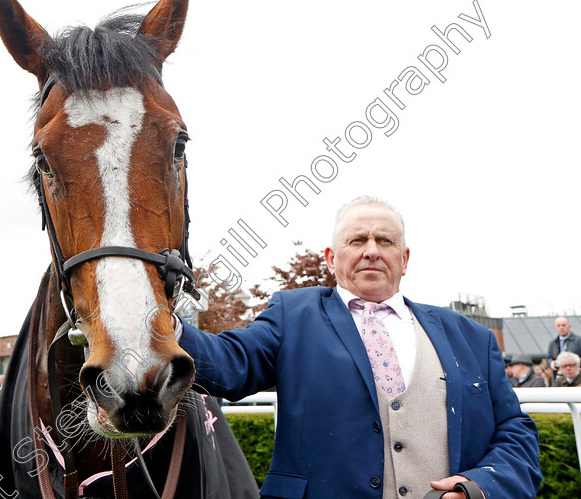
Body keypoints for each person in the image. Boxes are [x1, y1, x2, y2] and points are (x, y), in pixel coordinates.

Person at [175, 196, 541, 498]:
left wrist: (476, 489)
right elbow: (229, 364)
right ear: (332, 258)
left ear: (405, 259)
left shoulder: (471, 337)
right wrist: (164, 327)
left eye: (385, 241)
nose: (371, 251)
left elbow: (516, 432)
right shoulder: (293, 315)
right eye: (357, 240)